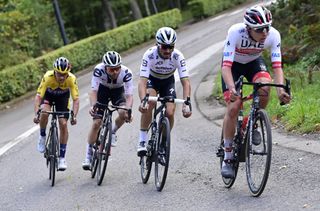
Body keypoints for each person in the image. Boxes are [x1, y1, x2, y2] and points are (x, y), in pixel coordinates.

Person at [220, 5, 291, 178]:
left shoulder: (273, 35)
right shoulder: (235, 33)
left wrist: (281, 90)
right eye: (260, 29)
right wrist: (231, 88)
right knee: (234, 106)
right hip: (233, 66)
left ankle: (252, 123)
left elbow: (277, 67)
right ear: (248, 28)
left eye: (267, 27)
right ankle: (228, 156)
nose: (265, 32)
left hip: (253, 62)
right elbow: (226, 67)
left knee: (265, 87)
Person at [137, 26, 192, 156]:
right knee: (149, 103)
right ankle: (142, 140)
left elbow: (186, 82)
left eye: (171, 47)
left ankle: (163, 142)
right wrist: (142, 101)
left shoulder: (178, 56)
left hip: (168, 81)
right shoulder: (149, 55)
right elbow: (142, 82)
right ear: (157, 44)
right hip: (152, 80)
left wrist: (187, 103)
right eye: (164, 47)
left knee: (170, 112)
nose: (168, 50)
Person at [82, 51, 133, 170]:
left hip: (118, 92)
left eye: (117, 69)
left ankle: (113, 132)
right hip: (102, 91)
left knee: (123, 113)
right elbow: (93, 91)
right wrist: (93, 106)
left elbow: (129, 96)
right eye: (111, 69)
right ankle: (88, 156)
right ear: (105, 68)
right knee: (96, 123)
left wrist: (129, 110)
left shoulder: (126, 72)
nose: (115, 72)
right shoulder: (98, 70)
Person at [33, 57, 79, 171]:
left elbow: (76, 100)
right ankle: (42, 136)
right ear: (55, 72)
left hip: (62, 98)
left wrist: (75, 116)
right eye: (59, 74)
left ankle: (62, 158)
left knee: (63, 124)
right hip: (48, 96)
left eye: (65, 74)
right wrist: (36, 113)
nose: (62, 77)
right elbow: (38, 96)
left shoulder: (71, 79)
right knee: (44, 112)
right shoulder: (48, 77)